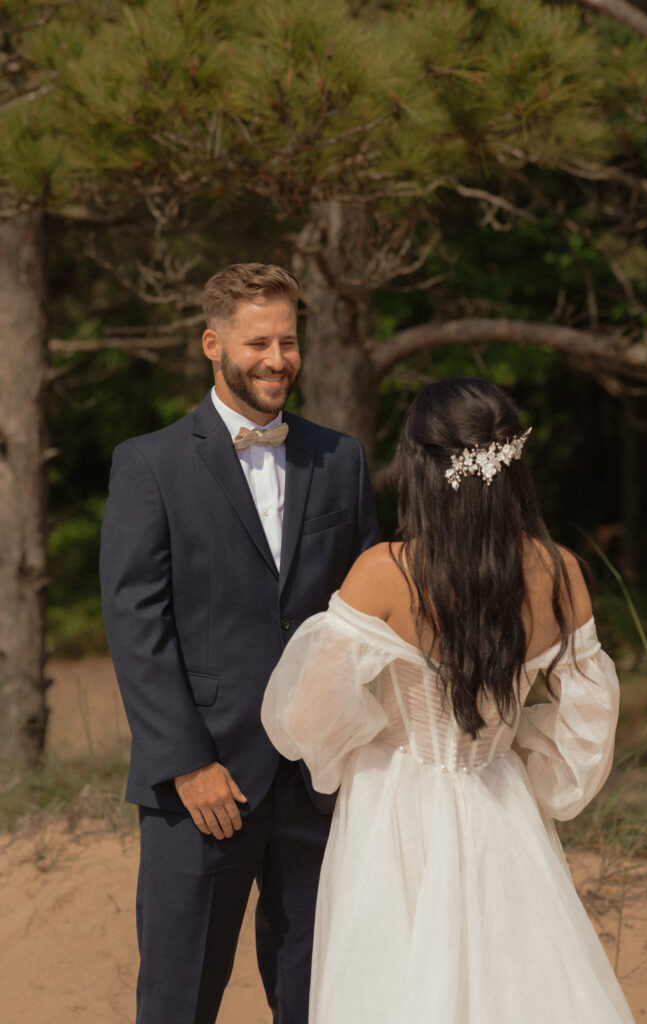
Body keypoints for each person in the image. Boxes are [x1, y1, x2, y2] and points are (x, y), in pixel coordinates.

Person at [261, 376, 635, 1024]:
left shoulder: (385, 571)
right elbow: (587, 726)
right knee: (515, 983)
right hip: (501, 801)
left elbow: (304, 717)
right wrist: (517, 756)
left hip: (392, 807)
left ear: (422, 468)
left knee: (393, 986)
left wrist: (370, 733)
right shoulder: (559, 570)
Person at [99, 262, 379, 1024]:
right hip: (201, 789)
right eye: (259, 342)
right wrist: (188, 764)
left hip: (318, 783)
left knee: (319, 995)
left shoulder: (341, 460)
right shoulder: (148, 464)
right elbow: (135, 625)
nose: (278, 359)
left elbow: (368, 616)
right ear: (212, 344)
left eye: (288, 341)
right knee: (179, 999)